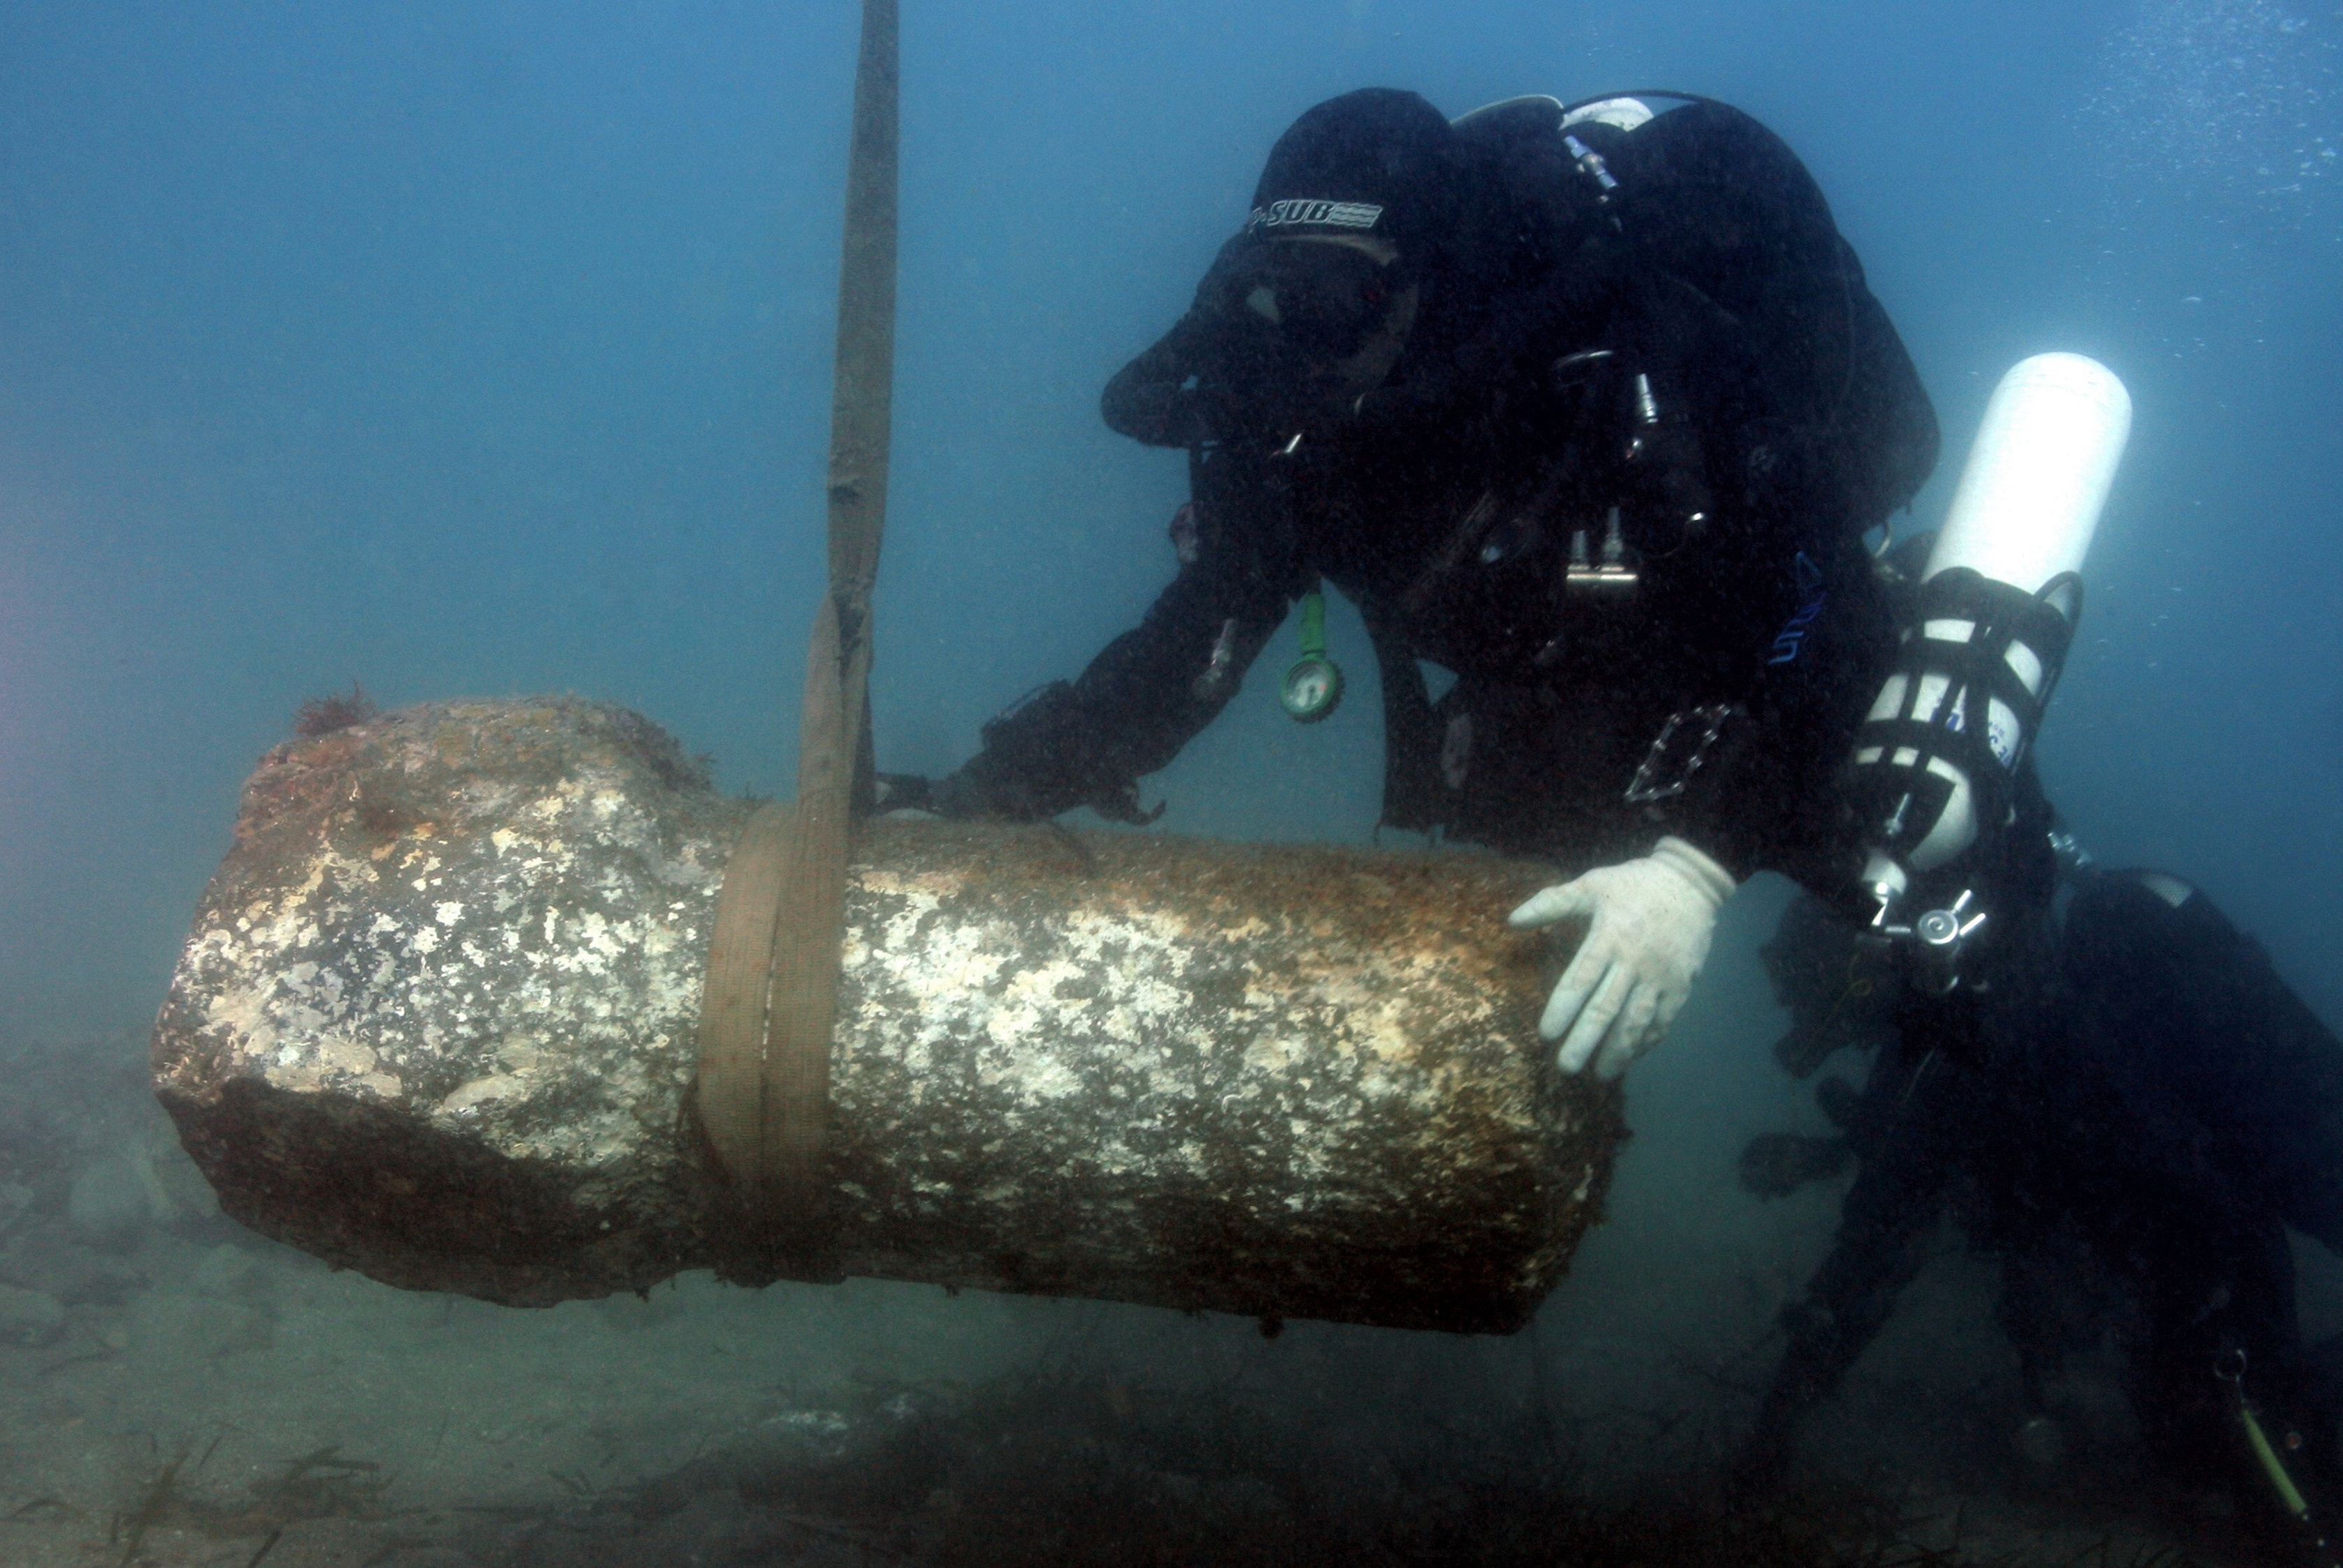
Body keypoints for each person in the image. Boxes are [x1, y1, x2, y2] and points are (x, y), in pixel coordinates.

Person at [882, 88, 1939, 1080]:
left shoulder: (1632, 364)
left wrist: (1697, 868)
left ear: (1429, 277)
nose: (1305, 340)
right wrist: (985, 795)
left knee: (1886, 837)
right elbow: (1191, 642)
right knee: (1519, 865)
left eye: (1342, 298)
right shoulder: (1288, 418)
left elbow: (1828, 619)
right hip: (1530, 674)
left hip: (1727, 648)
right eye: (1280, 293)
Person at [1733, 860, 2343, 1559]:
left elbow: (1872, 1253)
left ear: (1858, 973)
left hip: (2207, 1252)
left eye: (1807, 987)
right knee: (2198, 1453)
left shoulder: (1948, 1048)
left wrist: (1770, 1434)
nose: (1796, 1012)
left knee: (2243, 1471)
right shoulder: (2008, 1002)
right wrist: (1840, 1151)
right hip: (2216, 1223)